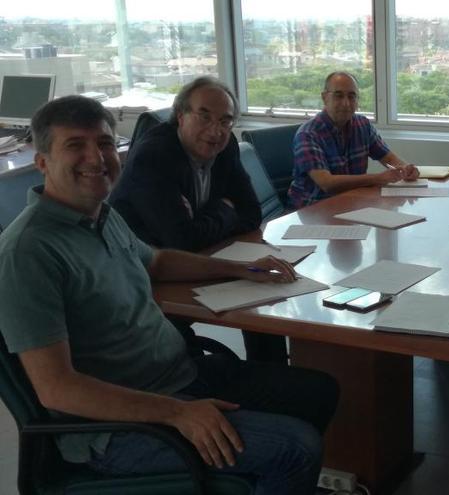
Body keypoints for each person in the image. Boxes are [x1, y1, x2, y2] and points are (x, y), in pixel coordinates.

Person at [0, 95, 338, 495]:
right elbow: (57, 388)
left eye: (105, 144)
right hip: (116, 429)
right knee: (293, 449)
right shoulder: (27, 253)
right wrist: (178, 413)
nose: (96, 157)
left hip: (177, 376)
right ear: (42, 162)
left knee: (318, 392)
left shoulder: (100, 215)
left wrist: (237, 267)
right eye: (75, 145)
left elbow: (156, 262)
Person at [110, 76, 286, 363]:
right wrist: (226, 209)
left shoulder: (225, 146)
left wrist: (204, 220)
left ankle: (274, 380)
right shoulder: (154, 156)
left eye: (225, 121)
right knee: (253, 284)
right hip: (145, 276)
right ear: (180, 116)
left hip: (196, 257)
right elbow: (182, 240)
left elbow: (252, 214)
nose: (215, 131)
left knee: (261, 289)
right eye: (204, 117)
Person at [288, 71, 419, 209]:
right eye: (339, 96)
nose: (346, 103)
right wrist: (379, 178)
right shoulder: (308, 134)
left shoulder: (362, 125)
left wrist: (405, 169)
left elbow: (388, 158)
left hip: (351, 204)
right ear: (324, 97)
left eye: (352, 96)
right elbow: (327, 183)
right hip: (312, 210)